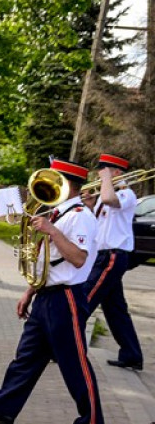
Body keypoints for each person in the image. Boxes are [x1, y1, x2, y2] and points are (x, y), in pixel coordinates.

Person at [0, 156, 104, 424]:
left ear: (68, 184)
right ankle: (4, 408)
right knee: (27, 356)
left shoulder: (80, 216)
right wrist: (30, 291)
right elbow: (49, 262)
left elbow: (78, 258)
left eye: (55, 180)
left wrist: (52, 231)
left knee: (74, 361)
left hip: (66, 298)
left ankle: (91, 422)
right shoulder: (59, 213)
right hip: (46, 295)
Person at [83, 153, 143, 371]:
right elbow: (99, 224)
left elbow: (110, 200)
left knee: (84, 300)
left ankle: (63, 348)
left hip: (113, 256)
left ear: (116, 172)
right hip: (103, 255)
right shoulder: (105, 192)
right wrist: (91, 206)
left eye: (103, 171)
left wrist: (107, 179)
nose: (99, 175)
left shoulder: (127, 193)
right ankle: (131, 354)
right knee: (115, 309)